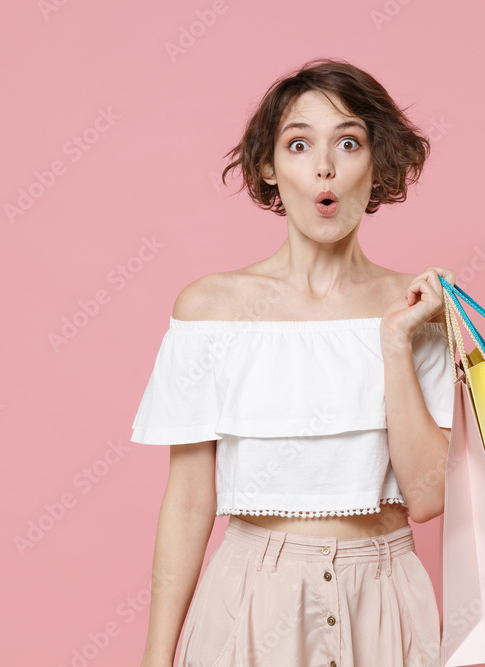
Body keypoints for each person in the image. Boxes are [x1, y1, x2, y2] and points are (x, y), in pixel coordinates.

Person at [133, 57, 457, 667]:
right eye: (300, 144)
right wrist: (156, 657)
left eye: (349, 142)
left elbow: (427, 496)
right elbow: (187, 499)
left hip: (386, 597)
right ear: (269, 167)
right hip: (250, 599)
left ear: (377, 163)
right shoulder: (211, 309)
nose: (325, 166)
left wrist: (393, 343)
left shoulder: (419, 309)